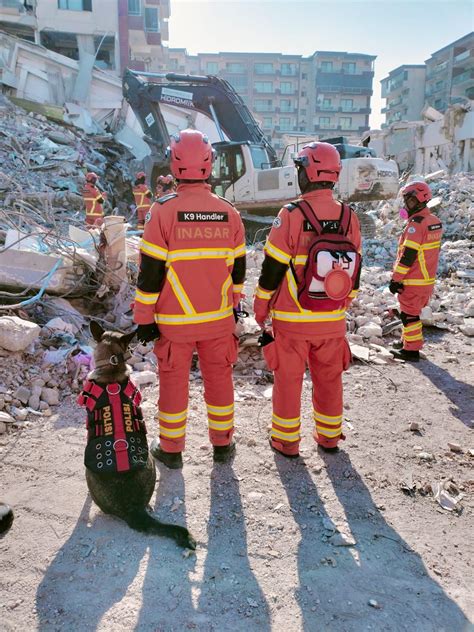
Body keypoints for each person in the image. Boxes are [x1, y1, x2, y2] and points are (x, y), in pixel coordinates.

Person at [133, 129, 246, 469]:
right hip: (217, 321)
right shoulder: (229, 212)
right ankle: (223, 445)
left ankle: (171, 450)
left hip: (174, 323)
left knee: (173, 382)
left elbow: (150, 273)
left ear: (174, 165)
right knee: (220, 380)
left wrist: (144, 318)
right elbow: (238, 271)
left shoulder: (163, 211)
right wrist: (232, 306)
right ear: (209, 165)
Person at [253, 142, 362, 457]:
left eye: (300, 168)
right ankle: (329, 438)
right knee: (329, 380)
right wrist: (344, 304)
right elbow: (355, 271)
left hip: (292, 322)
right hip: (331, 321)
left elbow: (271, 271)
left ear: (308, 171)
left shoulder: (290, 215)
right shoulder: (349, 216)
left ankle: (286, 442)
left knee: (288, 382)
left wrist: (261, 310)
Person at [389, 181, 443, 362]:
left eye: (410, 201)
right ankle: (407, 342)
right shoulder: (434, 222)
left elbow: (407, 256)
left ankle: (411, 350)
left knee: (408, 315)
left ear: (421, 200)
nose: (406, 205)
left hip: (413, 281)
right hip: (427, 280)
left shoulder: (416, 225)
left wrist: (396, 279)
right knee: (411, 312)